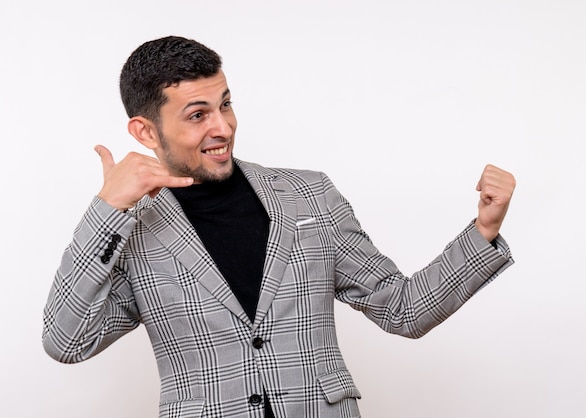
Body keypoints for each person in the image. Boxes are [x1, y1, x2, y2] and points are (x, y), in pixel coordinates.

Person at [42, 35, 516, 418]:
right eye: (197, 115)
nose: (222, 127)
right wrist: (108, 208)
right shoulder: (130, 232)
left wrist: (484, 229)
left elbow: (403, 310)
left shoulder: (309, 195)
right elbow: (67, 342)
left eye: (224, 105)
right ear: (146, 132)